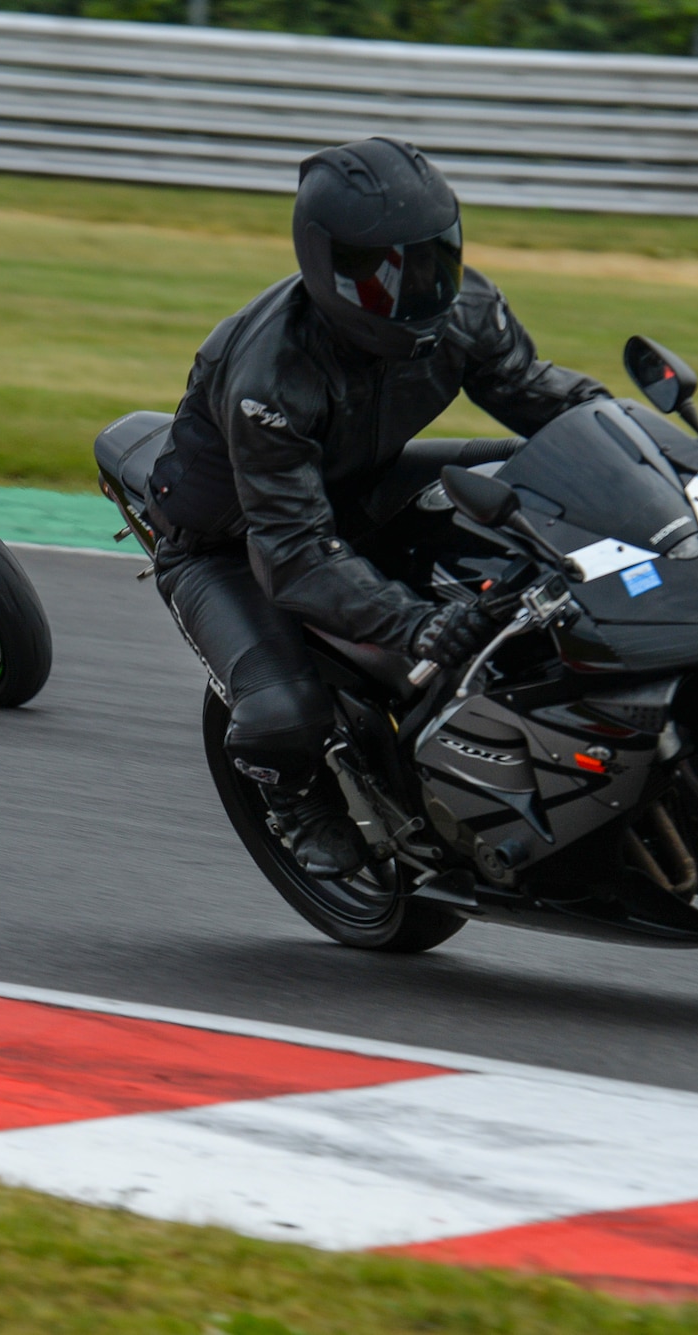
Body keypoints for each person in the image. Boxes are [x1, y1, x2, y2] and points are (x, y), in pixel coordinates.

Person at [147, 137, 611, 879]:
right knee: (286, 712)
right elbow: (295, 554)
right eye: (383, 273)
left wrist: (653, 450)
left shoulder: (467, 309)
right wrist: (419, 625)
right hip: (233, 539)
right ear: (324, 265)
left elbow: (543, 397)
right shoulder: (273, 377)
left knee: (533, 480)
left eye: (432, 259)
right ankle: (292, 800)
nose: (416, 288)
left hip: (363, 484)